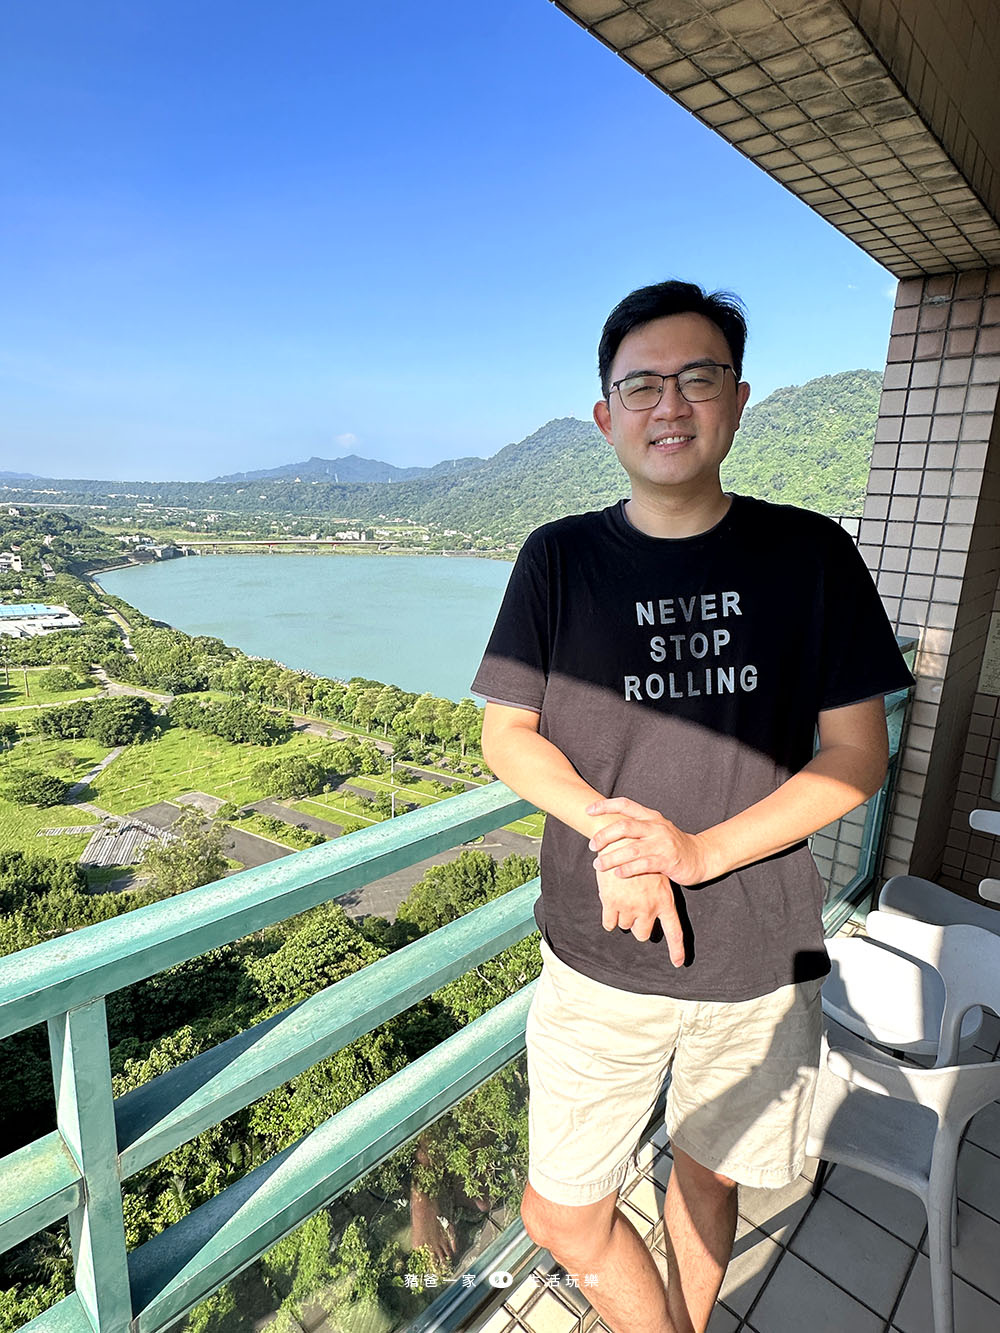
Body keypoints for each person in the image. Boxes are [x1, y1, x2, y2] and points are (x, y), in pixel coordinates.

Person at [470, 280, 914, 1333]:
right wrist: (618, 835)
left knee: (709, 1183)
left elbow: (858, 754)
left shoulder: (811, 555)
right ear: (604, 415)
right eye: (641, 385)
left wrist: (695, 850)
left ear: (740, 399)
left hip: (763, 955)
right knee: (562, 1211)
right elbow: (506, 731)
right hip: (594, 946)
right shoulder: (558, 556)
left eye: (697, 378)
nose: (669, 405)